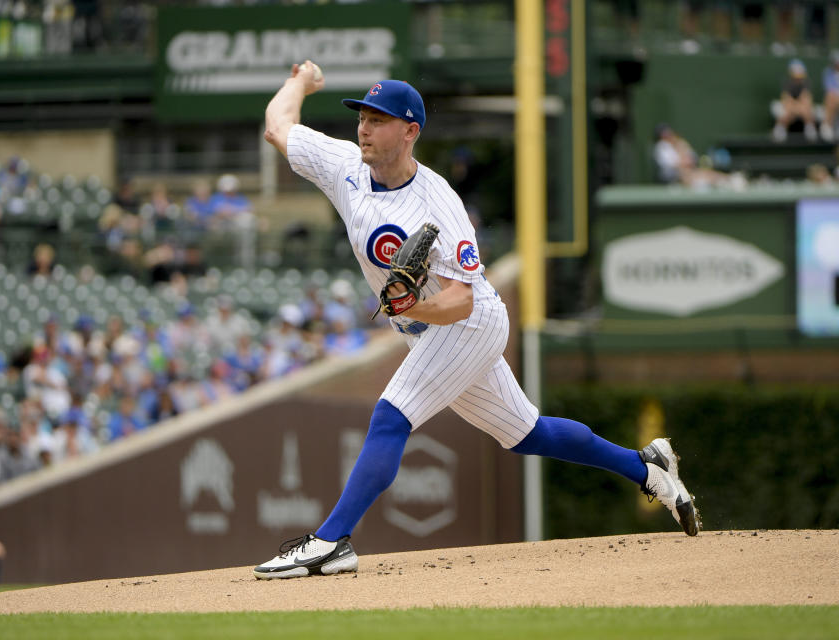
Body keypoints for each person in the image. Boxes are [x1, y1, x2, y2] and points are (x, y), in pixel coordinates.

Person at [252, 63, 700, 580]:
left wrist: (412, 307)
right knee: (528, 433)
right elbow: (277, 125)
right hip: (431, 330)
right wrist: (301, 83)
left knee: (391, 417)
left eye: (379, 118)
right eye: (362, 116)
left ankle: (331, 542)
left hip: (470, 324)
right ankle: (647, 467)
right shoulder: (344, 164)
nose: (364, 127)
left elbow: (462, 302)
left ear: (410, 130)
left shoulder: (438, 202)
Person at [773, 59, 816, 142]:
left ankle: (809, 128)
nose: (798, 79)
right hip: (791, 108)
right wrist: (796, 107)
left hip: (801, 108)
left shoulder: (806, 83)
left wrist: (798, 107)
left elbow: (806, 99)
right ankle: (781, 128)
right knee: (788, 110)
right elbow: (786, 100)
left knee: (806, 107)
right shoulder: (787, 83)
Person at [821, 50, 839, 142]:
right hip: (833, 98)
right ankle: (827, 125)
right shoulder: (828, 72)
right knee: (831, 96)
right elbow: (829, 88)